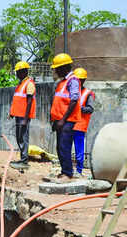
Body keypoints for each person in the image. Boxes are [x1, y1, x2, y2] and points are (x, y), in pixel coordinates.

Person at [50, 53, 81, 181]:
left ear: (64, 67)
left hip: (67, 121)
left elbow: (74, 100)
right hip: (60, 120)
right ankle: (64, 171)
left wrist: (63, 120)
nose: (56, 70)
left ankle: (67, 173)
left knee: (64, 146)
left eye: (57, 68)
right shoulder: (62, 82)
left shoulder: (72, 81)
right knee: (60, 147)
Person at [9, 61, 36, 169]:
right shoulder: (21, 84)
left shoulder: (29, 83)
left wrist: (25, 118)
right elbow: (18, 100)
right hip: (18, 115)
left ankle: (24, 161)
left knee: (23, 138)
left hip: (23, 117)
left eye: (18, 72)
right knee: (19, 137)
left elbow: (29, 102)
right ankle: (22, 158)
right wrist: (12, 113)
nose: (17, 74)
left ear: (24, 71)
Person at [72, 68, 95, 178]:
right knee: (65, 148)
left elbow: (90, 109)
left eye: (80, 80)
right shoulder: (70, 91)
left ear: (84, 80)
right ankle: (67, 170)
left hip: (80, 125)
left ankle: (79, 170)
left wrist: (78, 108)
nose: (78, 82)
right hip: (69, 123)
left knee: (79, 148)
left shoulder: (88, 93)